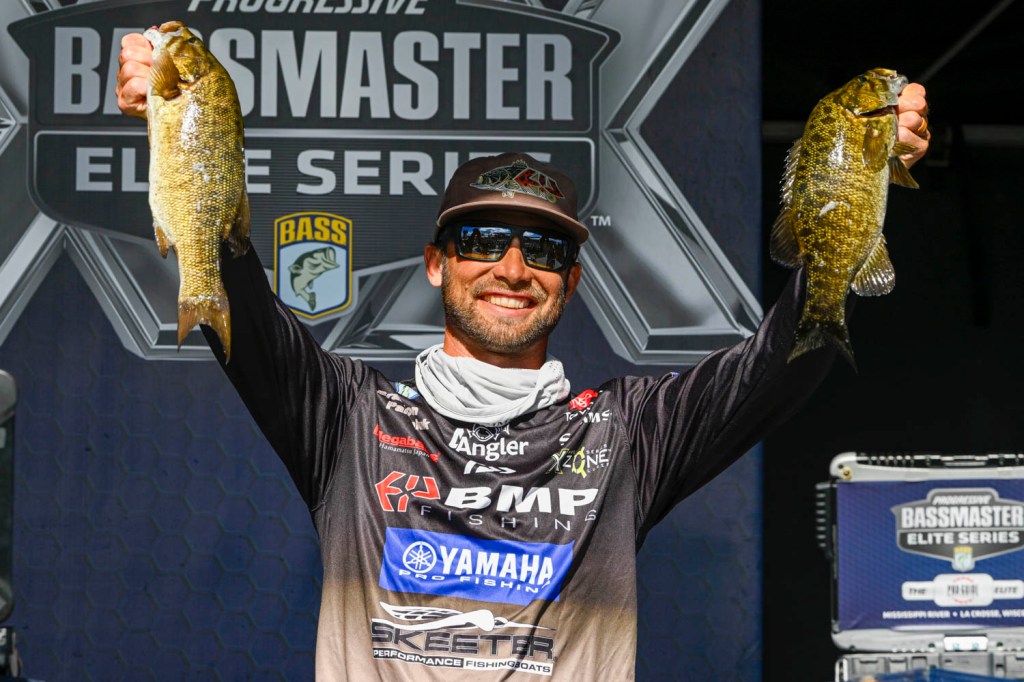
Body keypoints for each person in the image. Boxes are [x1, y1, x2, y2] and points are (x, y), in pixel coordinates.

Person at [117, 32, 930, 681]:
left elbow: (786, 358)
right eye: (480, 239)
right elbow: (234, 291)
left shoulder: (627, 434)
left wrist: (858, 172)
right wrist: (179, 123)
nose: (511, 268)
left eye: (542, 249)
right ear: (436, 264)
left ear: (569, 282)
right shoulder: (347, 420)